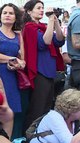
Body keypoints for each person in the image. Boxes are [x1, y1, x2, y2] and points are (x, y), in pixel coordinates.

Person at [22, 0, 65, 132]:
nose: (41, 10)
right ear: (29, 11)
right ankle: (29, 136)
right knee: (37, 107)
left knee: (46, 106)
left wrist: (56, 21)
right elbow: (45, 42)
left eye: (43, 7)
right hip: (39, 70)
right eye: (38, 8)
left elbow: (59, 40)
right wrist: (51, 20)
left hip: (49, 70)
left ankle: (40, 134)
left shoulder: (43, 26)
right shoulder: (29, 27)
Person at [0, 3, 26, 139]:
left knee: (11, 112)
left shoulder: (18, 35)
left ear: (16, 17)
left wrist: (19, 64)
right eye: (5, 13)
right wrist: (11, 58)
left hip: (11, 77)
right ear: (0, 16)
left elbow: (23, 60)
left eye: (11, 13)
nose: (7, 15)